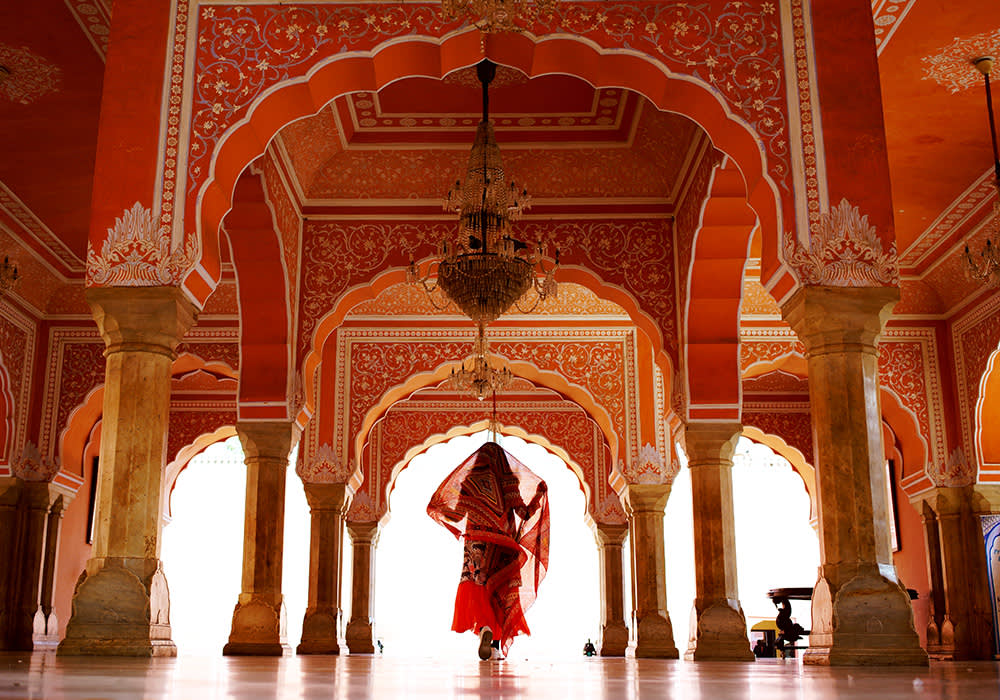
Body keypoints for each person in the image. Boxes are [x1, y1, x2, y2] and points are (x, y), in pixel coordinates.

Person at [426, 441, 549, 660]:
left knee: (479, 586)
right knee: (500, 589)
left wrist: (438, 506)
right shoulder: (508, 481)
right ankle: (494, 646)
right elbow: (524, 513)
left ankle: (485, 629)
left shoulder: (469, 483)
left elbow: (455, 516)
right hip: (502, 545)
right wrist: (539, 497)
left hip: (476, 546)